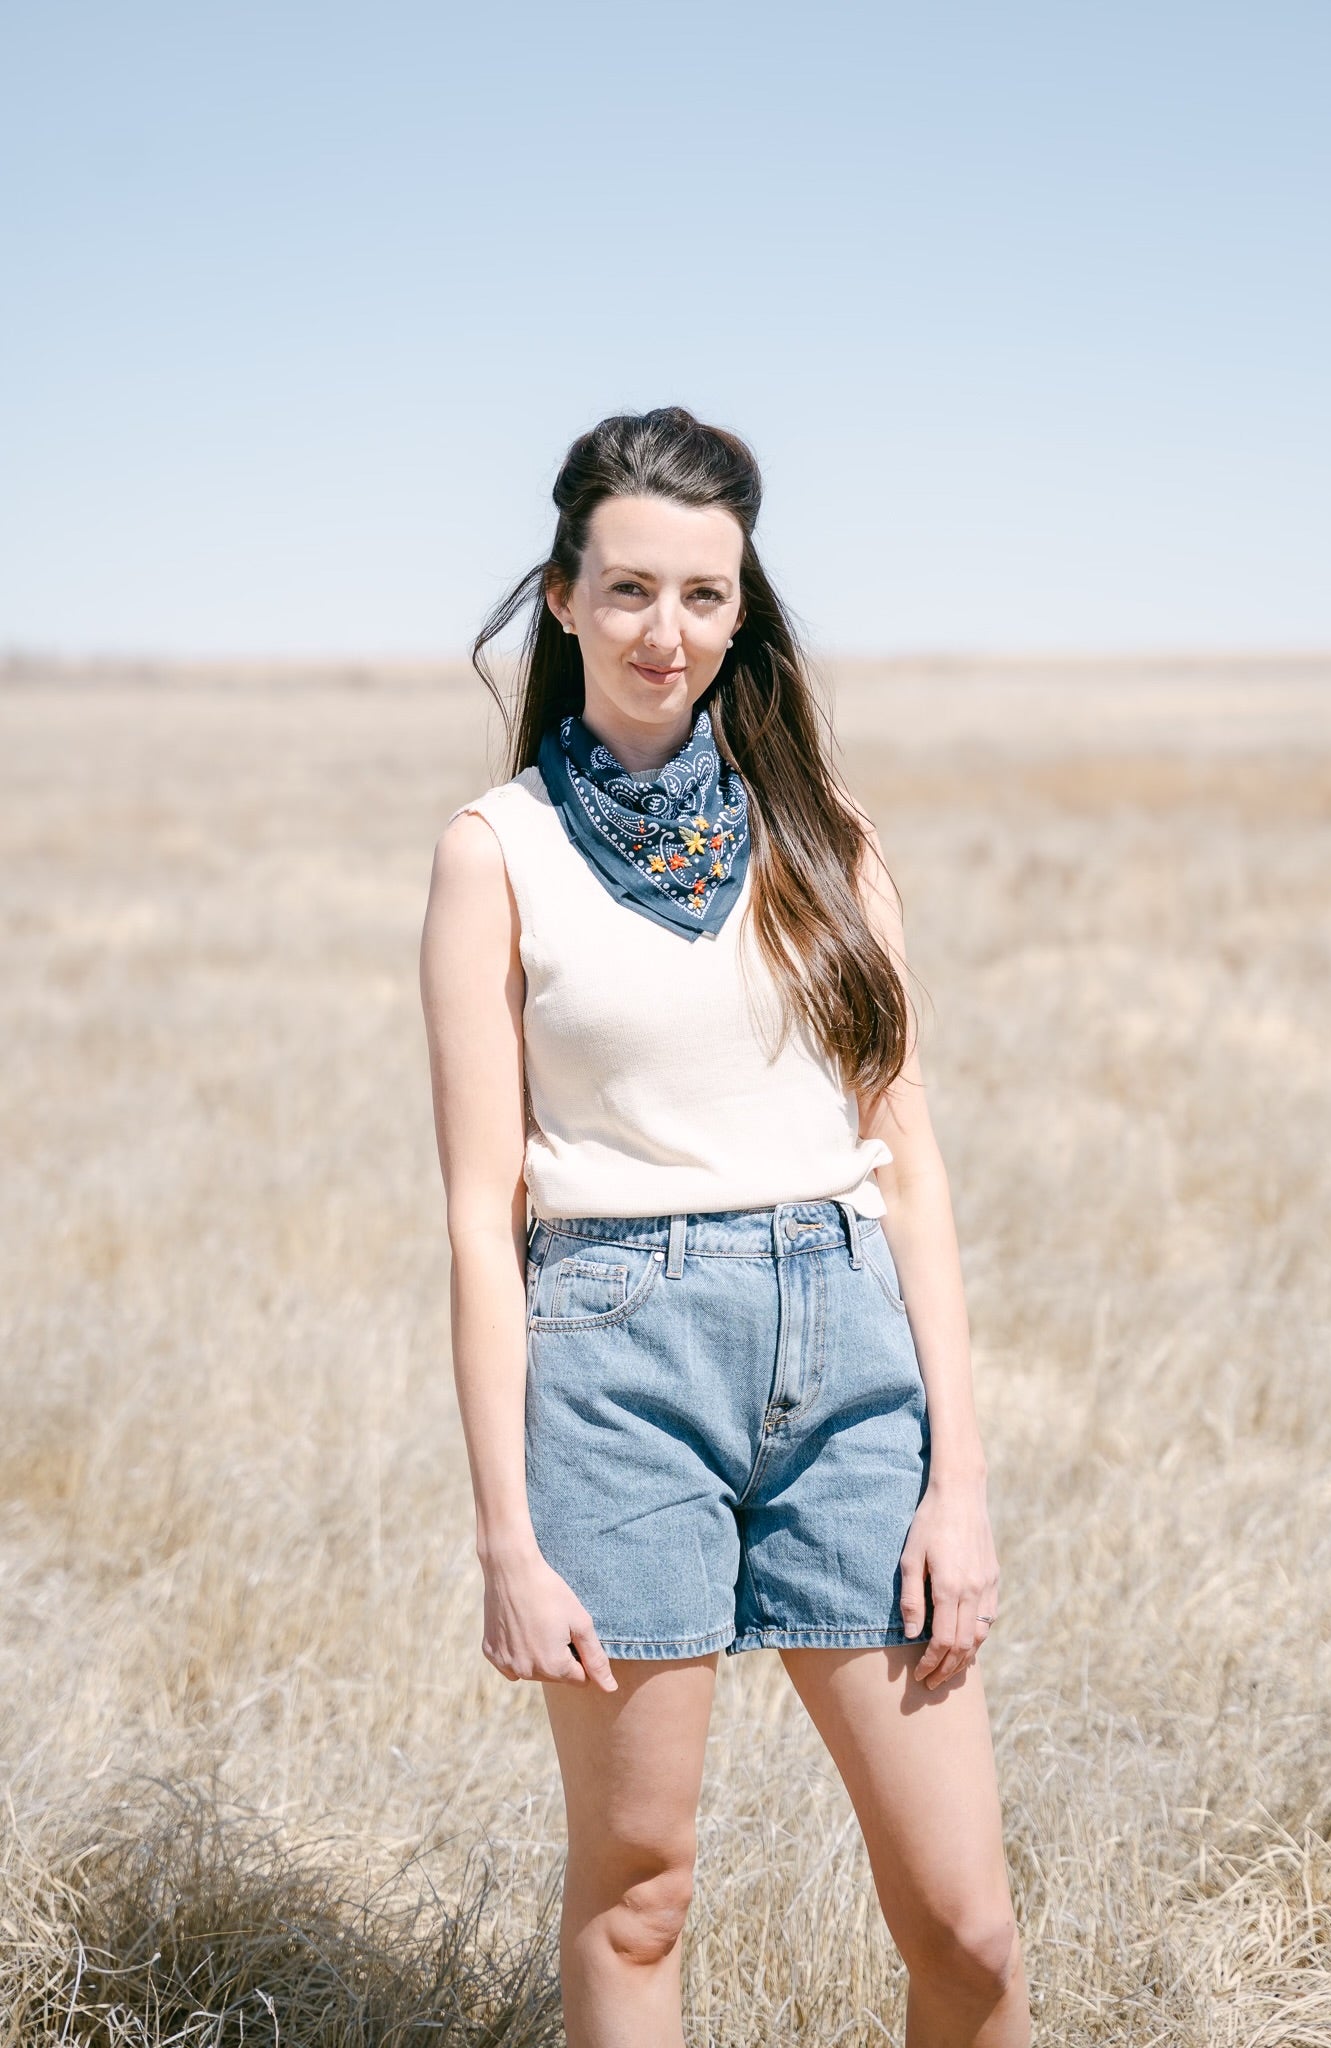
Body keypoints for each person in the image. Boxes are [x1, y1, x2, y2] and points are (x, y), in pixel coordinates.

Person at [419, 405, 1031, 2047]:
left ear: (741, 607)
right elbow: (485, 1220)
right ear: (561, 598)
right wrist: (505, 1538)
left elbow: (907, 1155)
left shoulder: (829, 839)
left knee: (967, 1928)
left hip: (848, 1362)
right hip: (615, 1365)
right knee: (639, 1894)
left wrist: (956, 1487)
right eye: (625, 589)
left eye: (701, 594)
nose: (662, 631)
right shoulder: (500, 856)